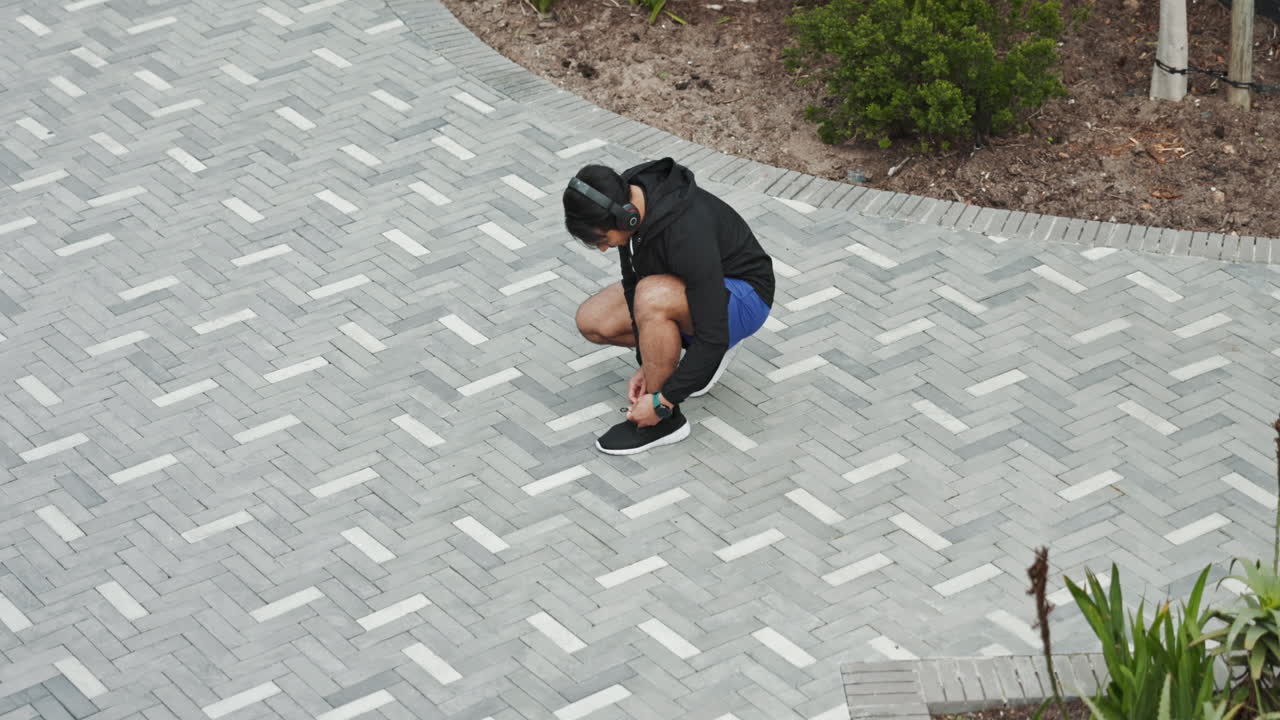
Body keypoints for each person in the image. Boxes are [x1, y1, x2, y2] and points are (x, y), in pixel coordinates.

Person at [563, 157, 775, 455]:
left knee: (652, 297)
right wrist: (646, 362)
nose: (602, 247)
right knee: (593, 320)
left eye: (601, 238)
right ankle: (684, 362)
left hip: (744, 296)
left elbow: (711, 334)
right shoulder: (629, 199)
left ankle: (665, 425)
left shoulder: (687, 231)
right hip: (694, 289)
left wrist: (663, 401)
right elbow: (631, 285)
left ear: (627, 218)